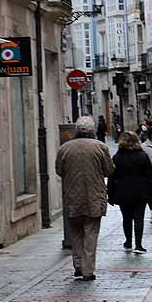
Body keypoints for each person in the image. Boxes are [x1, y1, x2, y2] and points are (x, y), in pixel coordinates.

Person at [54, 116, 114, 281]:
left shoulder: (65, 148)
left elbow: (59, 170)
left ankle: (78, 265)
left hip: (73, 196)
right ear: (92, 130)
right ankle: (88, 270)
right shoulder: (100, 147)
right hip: (94, 196)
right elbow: (109, 170)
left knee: (76, 233)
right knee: (91, 233)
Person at [108, 131, 152, 252]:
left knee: (126, 218)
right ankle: (139, 245)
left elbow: (111, 177)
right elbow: (150, 176)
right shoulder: (142, 156)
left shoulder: (117, 158)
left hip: (123, 192)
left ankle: (128, 242)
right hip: (141, 192)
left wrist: (111, 194)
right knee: (139, 218)